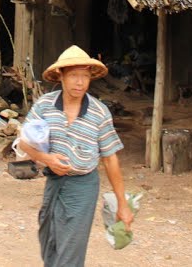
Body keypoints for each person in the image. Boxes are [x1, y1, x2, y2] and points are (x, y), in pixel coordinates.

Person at [17, 45, 133, 266]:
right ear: (61, 76)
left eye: (85, 76)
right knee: (49, 243)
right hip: (53, 182)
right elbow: (24, 142)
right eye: (74, 76)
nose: (80, 82)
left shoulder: (99, 112)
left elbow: (110, 159)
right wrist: (47, 159)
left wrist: (122, 203)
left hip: (83, 187)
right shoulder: (44, 106)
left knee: (70, 251)